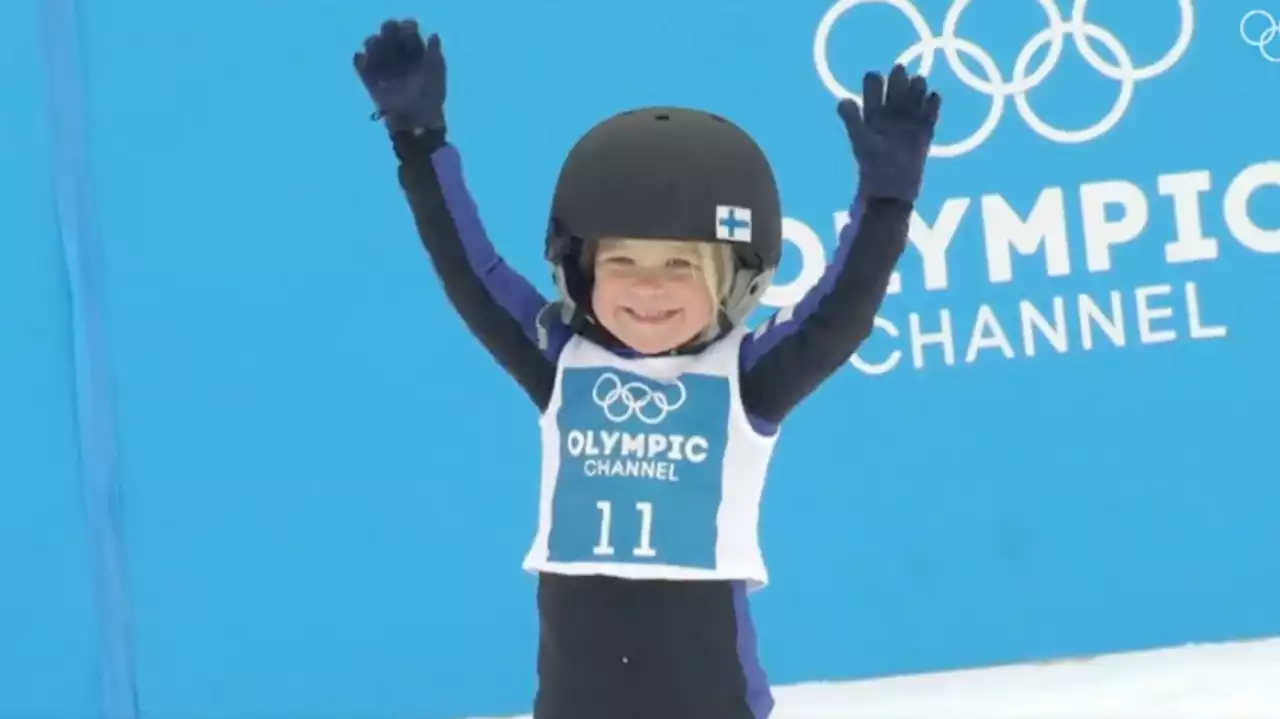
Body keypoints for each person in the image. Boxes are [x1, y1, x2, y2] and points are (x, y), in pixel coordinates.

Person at [354, 17, 941, 719]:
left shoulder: (748, 378)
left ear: (735, 280)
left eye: (680, 266)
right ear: (581, 269)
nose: (649, 289)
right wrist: (419, 146)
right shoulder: (559, 359)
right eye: (623, 262)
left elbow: (839, 314)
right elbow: (469, 269)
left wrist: (885, 204)